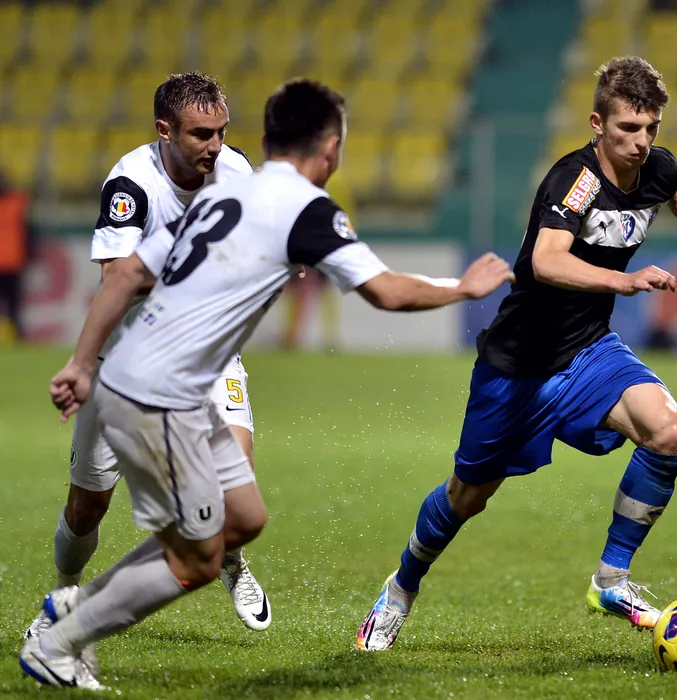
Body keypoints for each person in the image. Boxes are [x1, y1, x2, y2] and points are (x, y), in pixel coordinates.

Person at [21, 78, 513, 689]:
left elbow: (128, 276)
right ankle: (63, 635)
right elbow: (386, 291)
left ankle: (75, 609)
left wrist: (79, 363)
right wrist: (462, 288)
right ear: (330, 148)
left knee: (243, 517)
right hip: (157, 392)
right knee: (197, 558)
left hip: (160, 375)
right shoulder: (302, 209)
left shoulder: (229, 191)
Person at [357, 56, 677, 652]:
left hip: (589, 351)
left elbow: (663, 183)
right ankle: (401, 586)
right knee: (468, 496)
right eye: (627, 128)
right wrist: (623, 281)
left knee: (669, 431)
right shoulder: (576, 180)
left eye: (650, 128)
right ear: (597, 124)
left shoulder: (658, 168)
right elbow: (546, 261)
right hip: (517, 366)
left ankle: (611, 581)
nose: (641, 142)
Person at [23, 73, 274, 641]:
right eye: (201, 134)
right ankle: (65, 593)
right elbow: (117, 276)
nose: (216, 146)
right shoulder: (131, 184)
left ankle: (232, 560)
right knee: (87, 507)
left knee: (235, 484)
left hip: (207, 355)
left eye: (222, 131)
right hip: (126, 364)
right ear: (165, 130)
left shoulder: (235, 172)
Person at [0, 166, 32, 340]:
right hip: (12, 262)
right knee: (13, 307)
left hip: (13, 263)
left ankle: (18, 338)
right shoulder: (18, 202)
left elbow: (28, 232)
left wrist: (28, 254)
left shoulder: (17, 202)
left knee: (14, 308)